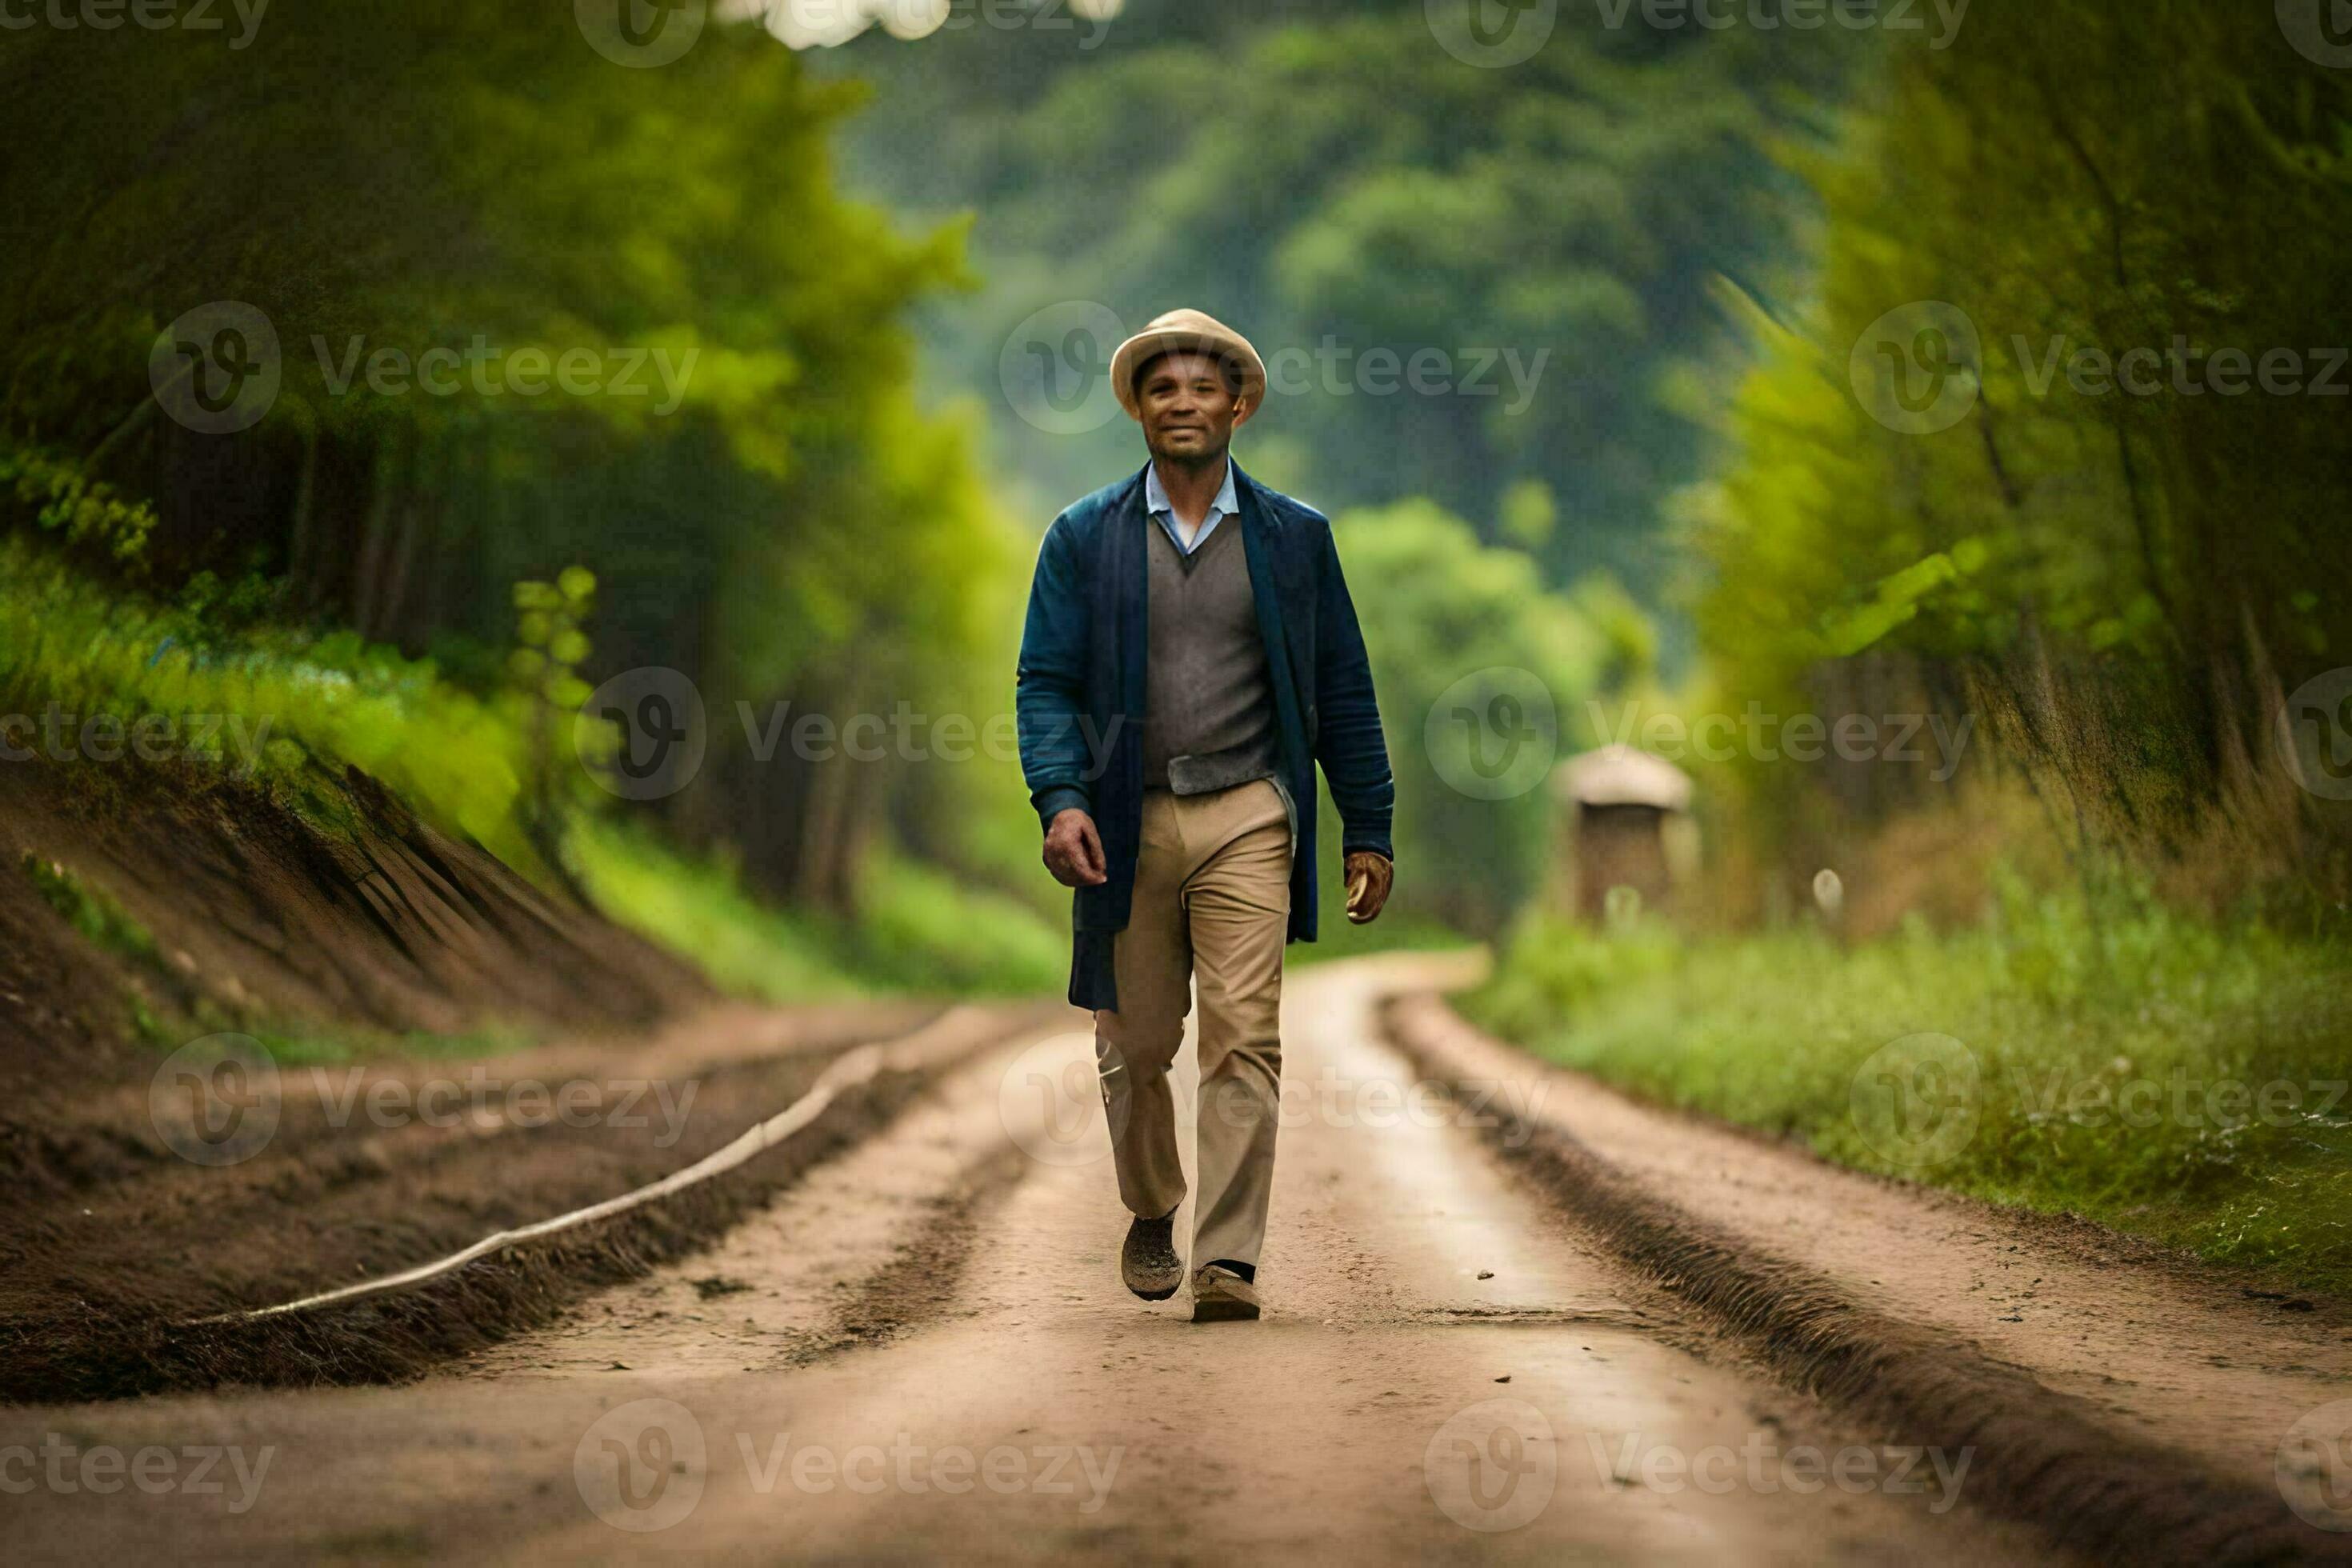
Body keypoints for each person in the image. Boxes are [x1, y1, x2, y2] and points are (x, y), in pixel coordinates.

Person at [1014, 307, 1396, 1322]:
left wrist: (1368, 822)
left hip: (1248, 814)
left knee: (1245, 1038)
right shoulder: (1084, 537)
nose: (1182, 404)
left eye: (1201, 388)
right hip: (1123, 821)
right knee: (1135, 1045)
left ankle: (1229, 1259)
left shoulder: (1295, 539)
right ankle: (1153, 1204)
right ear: (1139, 409)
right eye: (1162, 389)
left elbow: (1342, 687)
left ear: (1241, 404)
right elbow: (1044, 681)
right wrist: (1060, 800)